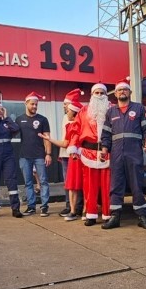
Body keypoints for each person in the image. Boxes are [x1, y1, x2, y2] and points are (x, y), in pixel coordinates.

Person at [100, 77, 146, 230]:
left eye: (124, 89)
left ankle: (142, 216)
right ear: (115, 94)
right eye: (119, 90)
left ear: (129, 92)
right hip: (116, 154)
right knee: (116, 185)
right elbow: (106, 133)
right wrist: (104, 149)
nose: (122, 92)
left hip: (134, 152)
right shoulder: (111, 111)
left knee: (137, 185)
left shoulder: (139, 108)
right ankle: (115, 217)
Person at [70, 83, 111, 226]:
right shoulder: (83, 111)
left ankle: (107, 215)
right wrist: (73, 148)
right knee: (89, 186)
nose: (99, 96)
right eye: (97, 93)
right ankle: (91, 215)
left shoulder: (112, 110)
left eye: (102, 93)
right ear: (92, 95)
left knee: (107, 187)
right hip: (88, 153)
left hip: (108, 153)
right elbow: (75, 130)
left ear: (106, 95)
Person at [38, 95, 84, 222]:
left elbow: (66, 143)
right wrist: (49, 139)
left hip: (82, 158)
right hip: (72, 157)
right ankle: (73, 209)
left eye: (67, 107)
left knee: (82, 185)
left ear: (74, 111)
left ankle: (83, 210)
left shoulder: (82, 125)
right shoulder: (69, 124)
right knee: (71, 184)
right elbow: (65, 143)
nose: (65, 109)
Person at [16, 92, 52, 217]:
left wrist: (48, 154)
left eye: (36, 104)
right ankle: (31, 207)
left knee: (43, 182)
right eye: (32, 104)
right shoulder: (19, 119)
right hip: (24, 156)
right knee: (28, 183)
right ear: (26, 104)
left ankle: (44, 206)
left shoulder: (43, 119)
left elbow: (47, 137)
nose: (34, 106)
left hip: (40, 156)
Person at [59, 89, 84, 218]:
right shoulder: (65, 118)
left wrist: (49, 139)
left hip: (75, 154)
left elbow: (66, 141)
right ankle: (71, 207)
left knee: (76, 183)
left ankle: (78, 208)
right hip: (66, 154)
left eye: (66, 104)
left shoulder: (77, 122)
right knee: (69, 183)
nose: (64, 106)